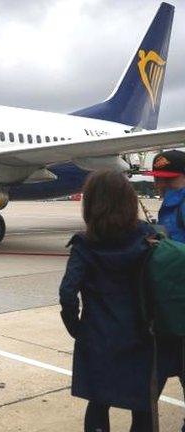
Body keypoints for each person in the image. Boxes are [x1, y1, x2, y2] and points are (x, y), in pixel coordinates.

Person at [59, 170, 157, 432]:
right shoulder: (148, 238)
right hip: (140, 333)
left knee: (98, 403)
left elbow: (67, 293)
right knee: (142, 405)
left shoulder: (85, 244)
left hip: (97, 333)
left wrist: (76, 327)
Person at [143, 150, 185, 432]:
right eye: (159, 179)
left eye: (168, 180)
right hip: (168, 304)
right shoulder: (168, 205)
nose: (160, 185)